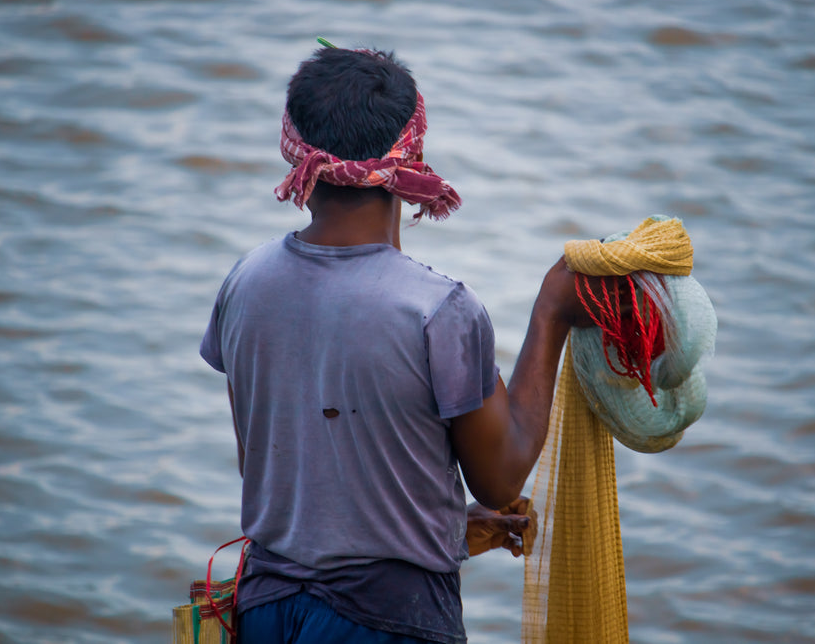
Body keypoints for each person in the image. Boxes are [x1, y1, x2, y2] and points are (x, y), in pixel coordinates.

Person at [200, 46, 588, 644]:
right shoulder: (439, 308)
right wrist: (552, 315)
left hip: (266, 610)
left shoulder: (245, 281)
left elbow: (283, 474)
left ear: (294, 149)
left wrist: (446, 527)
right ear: (412, 153)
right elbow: (501, 479)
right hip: (389, 621)